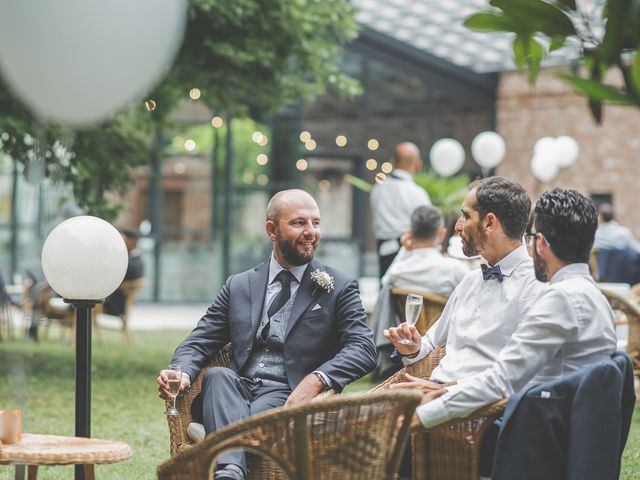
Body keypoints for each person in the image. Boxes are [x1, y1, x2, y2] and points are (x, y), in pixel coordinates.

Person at [157, 189, 376, 480]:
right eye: (299, 223)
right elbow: (200, 340)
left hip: (287, 394)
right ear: (272, 230)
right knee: (216, 377)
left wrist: (317, 378)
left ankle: (229, 470)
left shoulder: (339, 287)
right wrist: (180, 373)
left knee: (237, 413)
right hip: (237, 390)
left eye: (316, 223)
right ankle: (233, 467)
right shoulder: (239, 285)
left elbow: (363, 348)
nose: (311, 232)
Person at [388, 187, 616, 433]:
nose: (458, 225)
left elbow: (507, 379)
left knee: (376, 434)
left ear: (539, 243)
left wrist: (426, 411)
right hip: (548, 424)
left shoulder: (557, 296)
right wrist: (443, 385)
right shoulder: (593, 295)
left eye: (531, 236)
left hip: (524, 432)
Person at [371, 205, 468, 380]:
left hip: (411, 339)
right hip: (443, 343)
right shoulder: (455, 269)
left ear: (411, 232)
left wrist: (405, 248)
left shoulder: (399, 270)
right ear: (441, 234)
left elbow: (385, 284)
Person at [370, 142, 431, 278]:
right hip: (410, 251)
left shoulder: (377, 189)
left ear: (393, 161)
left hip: (384, 250)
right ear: (418, 164)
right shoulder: (418, 193)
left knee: (386, 290)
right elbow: (426, 226)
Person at [103, 228, 144, 317]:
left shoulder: (131, 262)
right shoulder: (135, 259)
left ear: (131, 241)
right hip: (116, 301)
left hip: (115, 304)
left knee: (85, 300)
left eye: (123, 240)